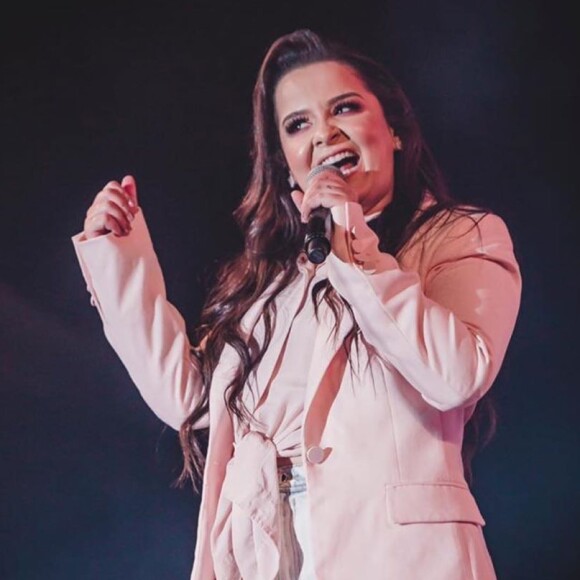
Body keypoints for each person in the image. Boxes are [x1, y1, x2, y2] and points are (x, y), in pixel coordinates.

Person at [72, 28, 521, 580]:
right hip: (269, 554)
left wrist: (350, 241)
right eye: (298, 124)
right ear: (285, 163)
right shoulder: (273, 284)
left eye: (346, 108)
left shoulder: (460, 236)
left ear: (396, 130)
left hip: (397, 557)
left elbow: (454, 375)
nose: (325, 133)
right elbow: (189, 398)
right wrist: (120, 260)